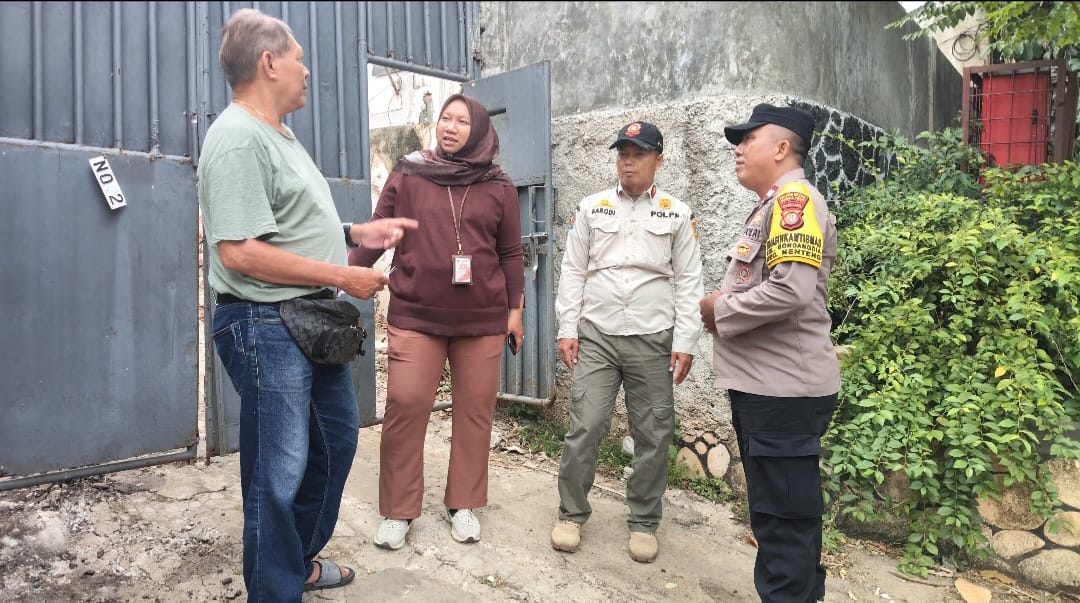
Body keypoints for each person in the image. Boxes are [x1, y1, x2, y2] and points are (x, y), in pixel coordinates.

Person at [198, 8, 418, 601]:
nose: (307, 68)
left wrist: (356, 234)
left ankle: (292, 563)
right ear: (269, 63)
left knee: (336, 441)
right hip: (263, 323)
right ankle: (275, 589)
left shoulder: (279, 135)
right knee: (280, 468)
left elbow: (285, 227)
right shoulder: (237, 137)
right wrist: (342, 276)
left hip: (304, 320)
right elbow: (240, 252)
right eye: (297, 57)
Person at [349, 93, 525, 551]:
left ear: (480, 130)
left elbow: (509, 253)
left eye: (461, 121)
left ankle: (462, 502)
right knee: (406, 404)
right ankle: (398, 509)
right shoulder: (409, 172)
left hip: (483, 318)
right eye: (444, 118)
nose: (449, 127)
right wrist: (347, 273)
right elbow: (379, 227)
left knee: (475, 410)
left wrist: (515, 311)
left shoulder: (499, 185)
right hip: (416, 312)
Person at [699, 103, 839, 603]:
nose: (738, 149)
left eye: (748, 139)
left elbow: (790, 291)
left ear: (781, 148)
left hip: (784, 394)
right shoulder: (774, 204)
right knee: (785, 523)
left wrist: (720, 311)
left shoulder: (794, 200)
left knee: (783, 529)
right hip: (770, 390)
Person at [550, 121, 704, 563]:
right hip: (597, 336)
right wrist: (567, 328)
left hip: (653, 339)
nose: (628, 161)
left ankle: (643, 520)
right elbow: (574, 270)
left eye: (637, 153)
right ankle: (571, 513)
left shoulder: (677, 213)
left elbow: (690, 281)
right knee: (586, 425)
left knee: (653, 433)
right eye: (622, 153)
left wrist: (686, 339)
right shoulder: (592, 207)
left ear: (659, 158)